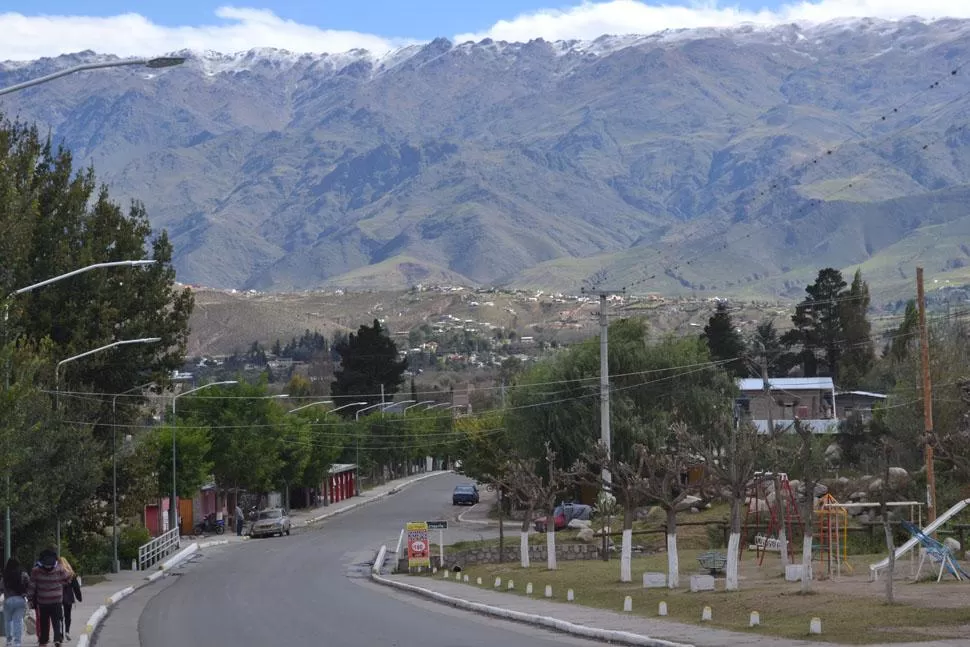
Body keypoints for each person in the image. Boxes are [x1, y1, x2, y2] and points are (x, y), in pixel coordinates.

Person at [27, 548, 70, 647]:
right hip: (56, 600)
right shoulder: (59, 568)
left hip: (43, 601)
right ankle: (57, 639)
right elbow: (68, 578)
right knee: (56, 620)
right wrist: (60, 584)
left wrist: (29, 598)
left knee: (44, 622)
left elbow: (32, 586)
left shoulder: (36, 571)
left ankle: (43, 641)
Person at [1, 557, 30, 647]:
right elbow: (29, 584)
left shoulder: (5, 575)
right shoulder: (23, 574)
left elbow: (1, 588)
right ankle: (17, 642)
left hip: (8, 600)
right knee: (18, 621)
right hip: (20, 599)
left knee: (8, 621)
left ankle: (9, 641)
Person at [58, 558, 81, 642]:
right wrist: (79, 597)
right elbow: (76, 587)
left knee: (59, 616)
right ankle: (67, 631)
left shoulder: (56, 573)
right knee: (68, 616)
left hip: (58, 596)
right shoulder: (71, 574)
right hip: (68, 597)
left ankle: (60, 633)